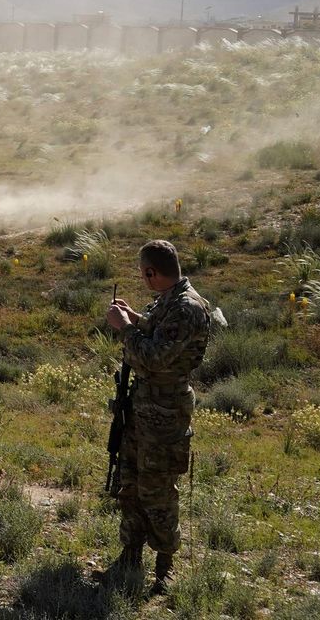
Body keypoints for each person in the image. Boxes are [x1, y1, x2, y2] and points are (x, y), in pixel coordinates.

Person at [105, 239, 216, 594]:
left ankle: (164, 567)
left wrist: (124, 329)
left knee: (159, 491)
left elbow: (154, 357)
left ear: (152, 272)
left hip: (165, 411)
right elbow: (156, 330)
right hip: (143, 406)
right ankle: (129, 557)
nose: (142, 278)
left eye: (143, 273)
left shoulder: (186, 308)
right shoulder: (170, 300)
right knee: (132, 482)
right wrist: (135, 318)